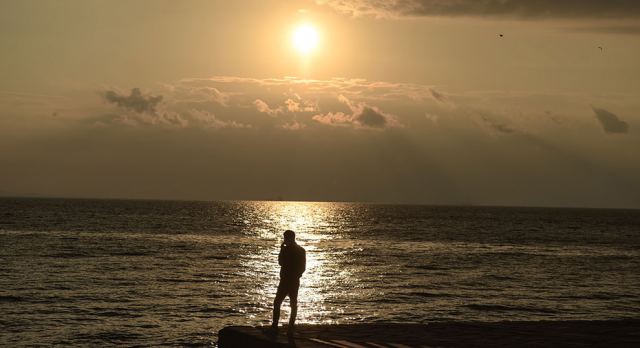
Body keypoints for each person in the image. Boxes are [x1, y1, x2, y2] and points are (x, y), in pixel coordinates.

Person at [271, 229, 306, 336]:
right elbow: (303, 267)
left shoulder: (287, 250)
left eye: (285, 238)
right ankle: (290, 328)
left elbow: (280, 262)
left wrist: (282, 250)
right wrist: (297, 275)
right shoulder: (301, 250)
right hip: (294, 280)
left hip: (286, 280)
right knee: (293, 304)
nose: (284, 240)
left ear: (288, 238)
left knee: (278, 302)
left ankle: (275, 326)